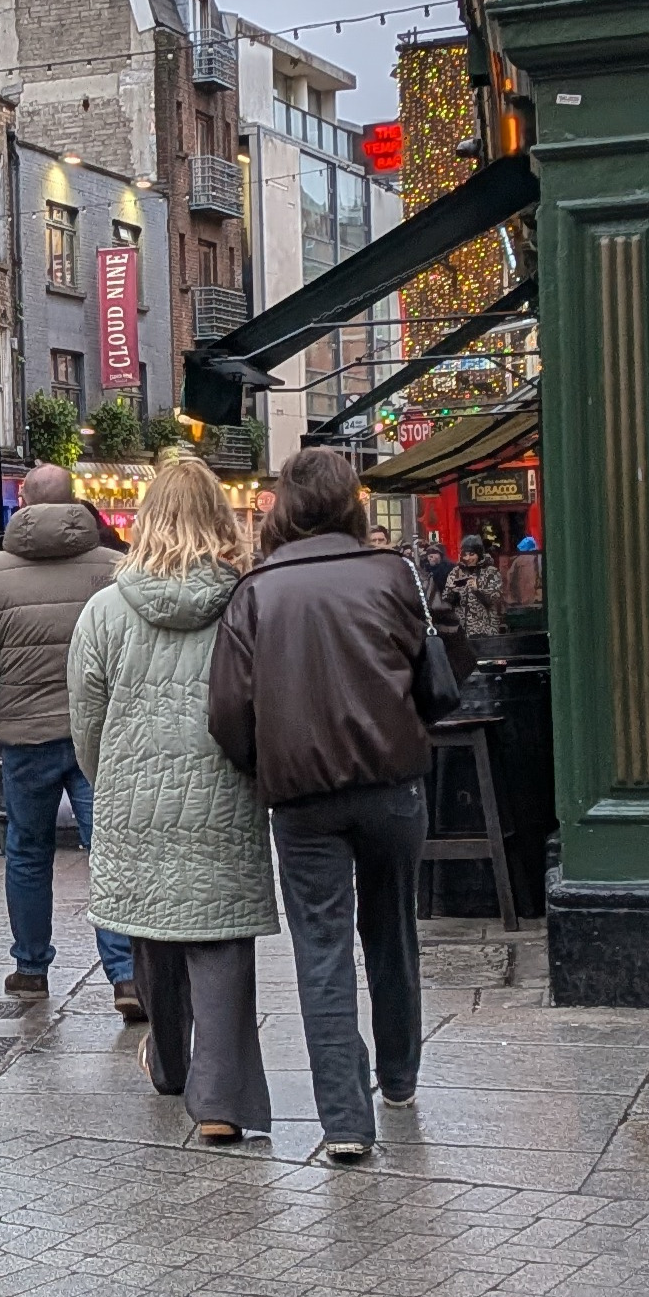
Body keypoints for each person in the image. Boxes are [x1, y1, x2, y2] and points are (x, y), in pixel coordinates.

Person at [208, 448, 451, 1167]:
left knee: (321, 948)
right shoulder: (393, 574)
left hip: (303, 796)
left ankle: (345, 1119)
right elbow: (432, 681)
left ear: (283, 508)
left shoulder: (255, 592)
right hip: (392, 784)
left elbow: (227, 712)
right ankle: (399, 1076)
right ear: (352, 503)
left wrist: (267, 764)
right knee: (392, 929)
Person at [68, 456, 278, 1145]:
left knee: (152, 929)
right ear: (220, 519)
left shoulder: (105, 611)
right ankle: (219, 1100)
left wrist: (109, 780)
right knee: (218, 939)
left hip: (134, 798)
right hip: (223, 794)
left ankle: (167, 1059)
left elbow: (86, 719)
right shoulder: (246, 603)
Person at [0, 464, 127, 1008]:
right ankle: (126, 974)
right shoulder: (116, 569)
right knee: (109, 850)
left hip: (25, 736)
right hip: (101, 735)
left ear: (22, 503)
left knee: (26, 851)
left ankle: (30, 966)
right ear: (75, 503)